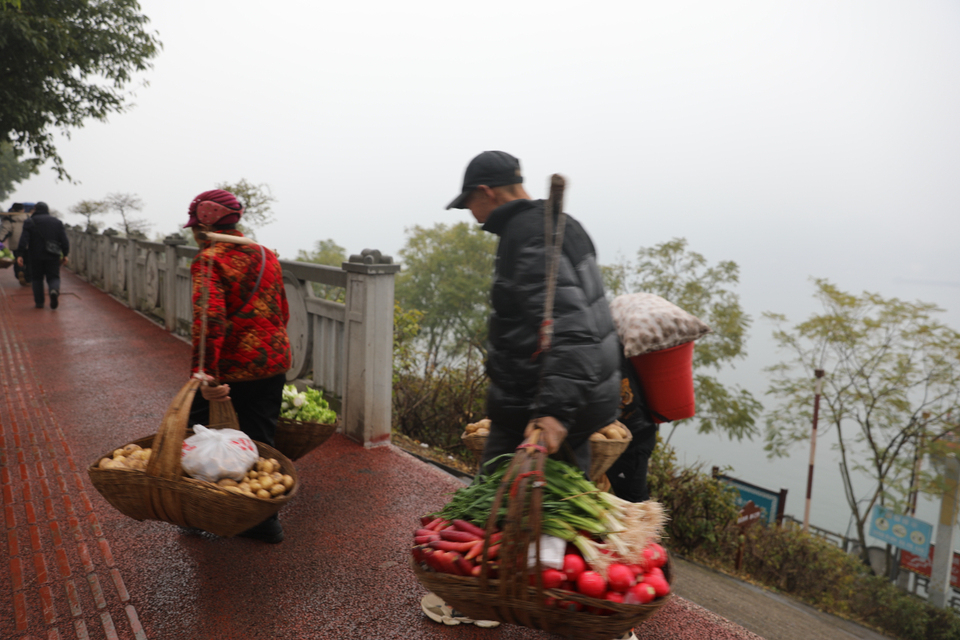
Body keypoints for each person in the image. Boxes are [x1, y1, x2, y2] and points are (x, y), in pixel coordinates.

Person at [448, 150, 621, 475]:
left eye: (468, 202)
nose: (470, 213)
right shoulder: (563, 224)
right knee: (561, 507)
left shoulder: (527, 236)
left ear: (486, 191)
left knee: (499, 508)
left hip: (538, 409)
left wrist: (554, 412)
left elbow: (572, 328)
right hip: (581, 401)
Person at [183, 189, 292, 544]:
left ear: (204, 223)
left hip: (231, 366)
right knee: (260, 437)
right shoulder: (265, 254)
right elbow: (283, 310)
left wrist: (205, 375)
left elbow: (208, 321)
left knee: (198, 432)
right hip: (273, 359)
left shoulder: (210, 260)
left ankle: (200, 513)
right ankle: (264, 521)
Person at [16, 201, 68, 309]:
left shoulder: (30, 222)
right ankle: (53, 290)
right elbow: (64, 240)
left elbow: (23, 240)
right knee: (53, 277)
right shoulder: (57, 222)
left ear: (35, 209)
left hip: (35, 255)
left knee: (37, 278)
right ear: (47, 210)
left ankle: (39, 302)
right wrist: (65, 254)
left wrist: (20, 254)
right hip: (53, 255)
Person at [1, 203, 31, 286]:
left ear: (13, 210)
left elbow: (5, 231)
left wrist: (0, 239)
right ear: (23, 210)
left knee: (18, 260)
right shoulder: (28, 218)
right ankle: (28, 278)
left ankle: (19, 272)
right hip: (28, 244)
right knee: (29, 262)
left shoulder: (10, 219)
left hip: (16, 244)